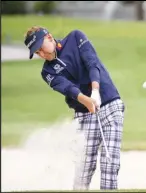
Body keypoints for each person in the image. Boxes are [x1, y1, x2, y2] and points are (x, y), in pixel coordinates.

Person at [24, 26, 125, 190]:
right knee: (84, 167)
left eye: (40, 48)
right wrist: (87, 100)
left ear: (49, 38)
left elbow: (92, 62)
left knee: (110, 160)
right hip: (84, 113)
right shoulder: (47, 72)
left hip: (110, 102)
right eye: (37, 53)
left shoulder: (75, 37)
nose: (41, 54)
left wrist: (95, 91)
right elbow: (68, 88)